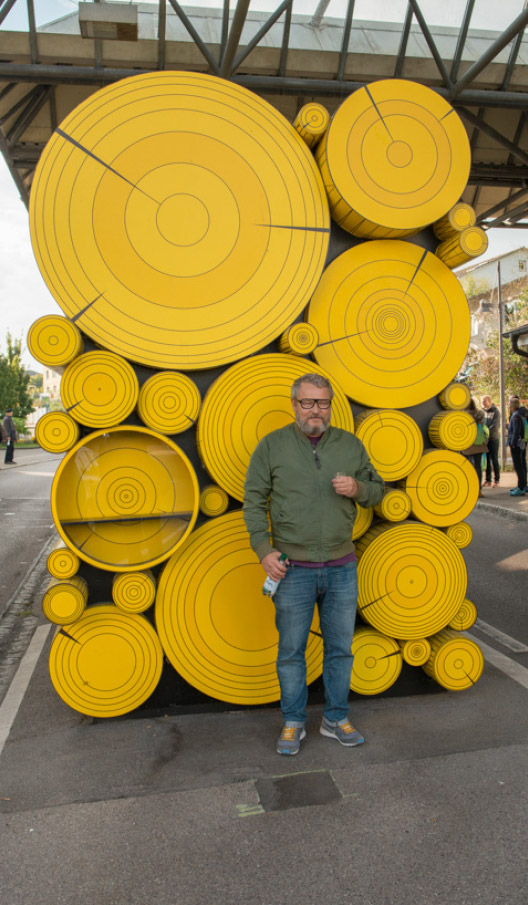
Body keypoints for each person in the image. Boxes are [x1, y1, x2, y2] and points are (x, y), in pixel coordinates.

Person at [243, 373, 384, 755]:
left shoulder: (350, 445)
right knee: (291, 651)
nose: (315, 410)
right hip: (292, 571)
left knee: (340, 649)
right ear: (294, 405)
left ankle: (336, 718)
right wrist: (263, 550)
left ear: (330, 405)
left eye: (322, 403)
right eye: (307, 403)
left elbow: (377, 491)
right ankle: (293, 722)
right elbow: (254, 501)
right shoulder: (271, 447)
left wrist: (359, 490)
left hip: (342, 566)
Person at [507, 395, 527, 496]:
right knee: (520, 465)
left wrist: (513, 443)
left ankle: (521, 487)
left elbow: (516, 431)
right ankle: (522, 485)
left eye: (509, 406)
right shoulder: (520, 414)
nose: (509, 408)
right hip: (520, 443)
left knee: (518, 465)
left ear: (513, 406)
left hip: (516, 444)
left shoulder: (515, 416)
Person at [481, 395, 500, 487]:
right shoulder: (482, 411)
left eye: (484, 401)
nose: (482, 403)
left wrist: (486, 431)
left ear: (489, 401)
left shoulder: (495, 411)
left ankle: (496, 480)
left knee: (494, 459)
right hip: (485, 440)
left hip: (493, 438)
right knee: (487, 460)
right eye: (481, 402)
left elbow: (495, 425)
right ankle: (487, 480)